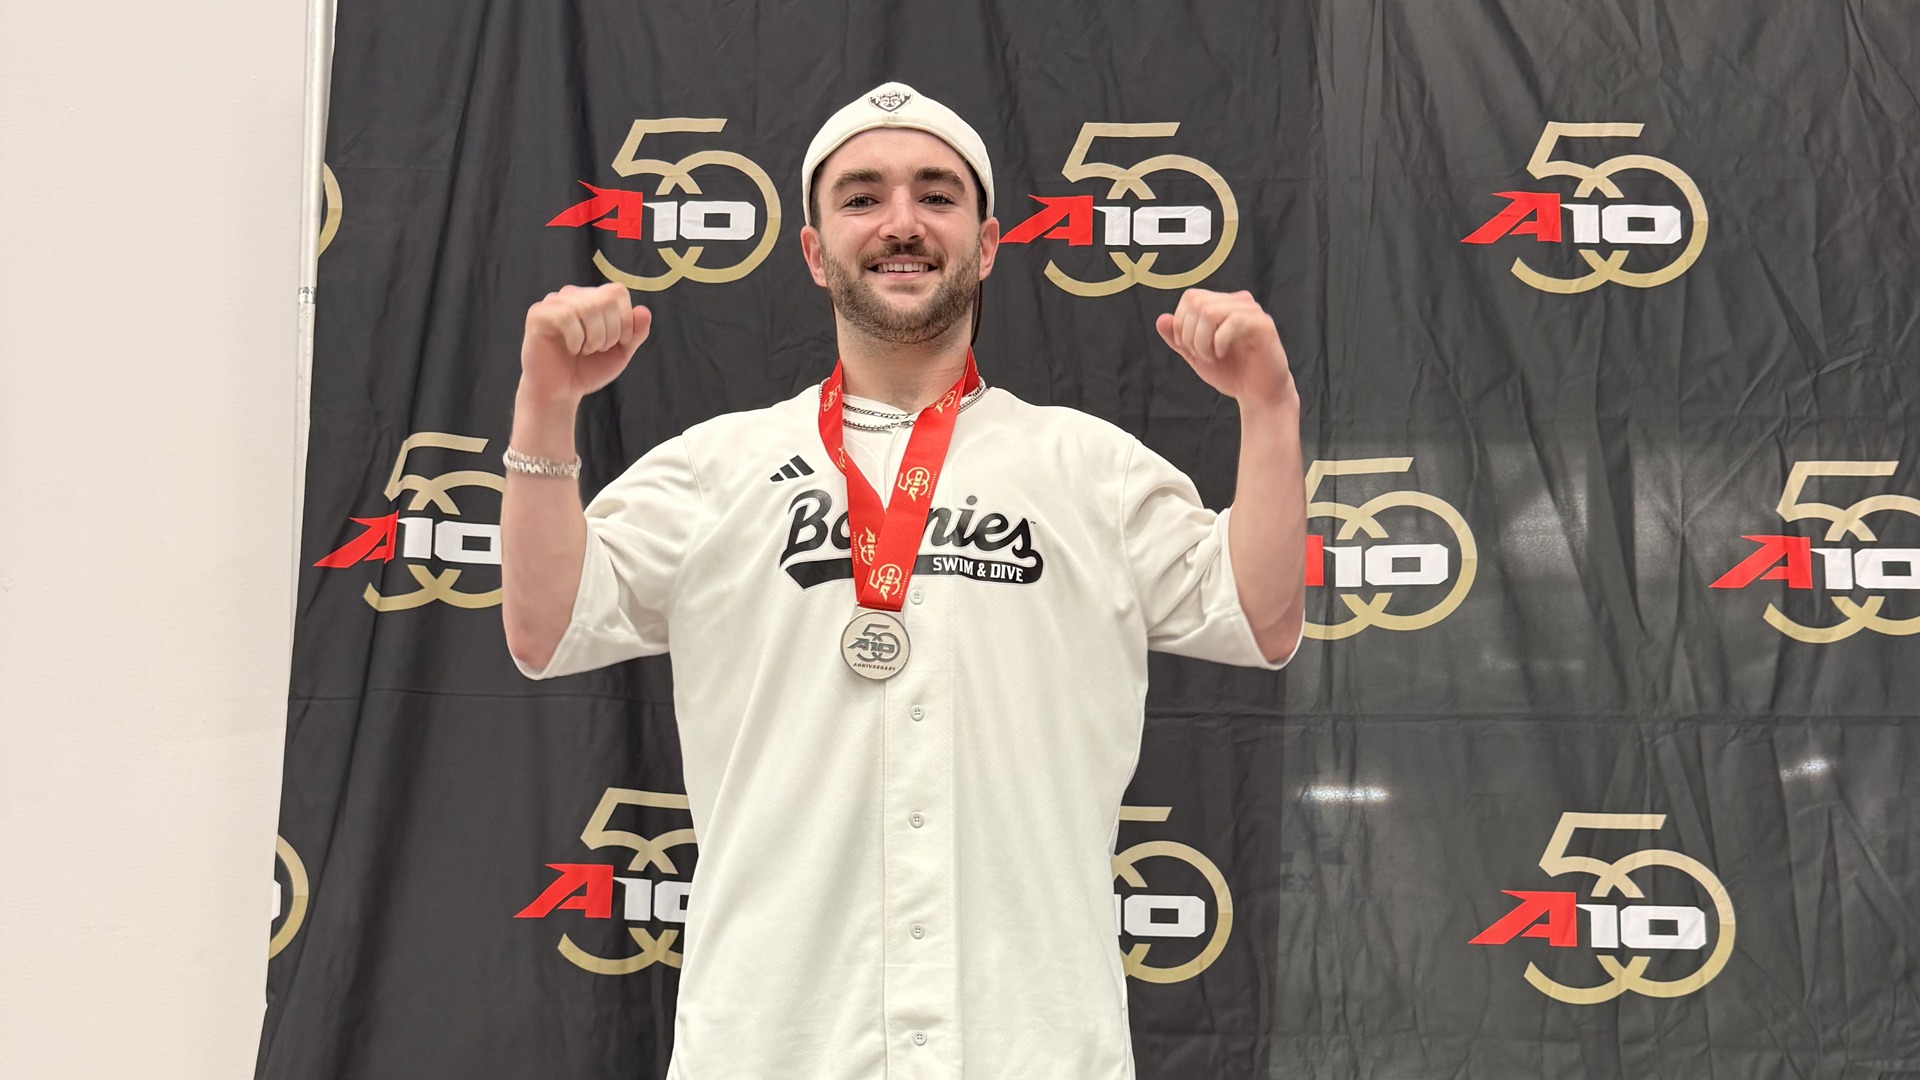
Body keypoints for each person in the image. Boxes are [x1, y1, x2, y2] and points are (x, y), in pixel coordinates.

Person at [501, 82, 1306, 1080]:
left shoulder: (1089, 467)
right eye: (862, 196)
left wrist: (1270, 411)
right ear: (812, 248)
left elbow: (1262, 617)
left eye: (936, 195)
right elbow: (544, 625)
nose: (901, 223)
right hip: (773, 1048)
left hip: (1030, 1047)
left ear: (990, 239)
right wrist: (545, 409)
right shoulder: (718, 467)